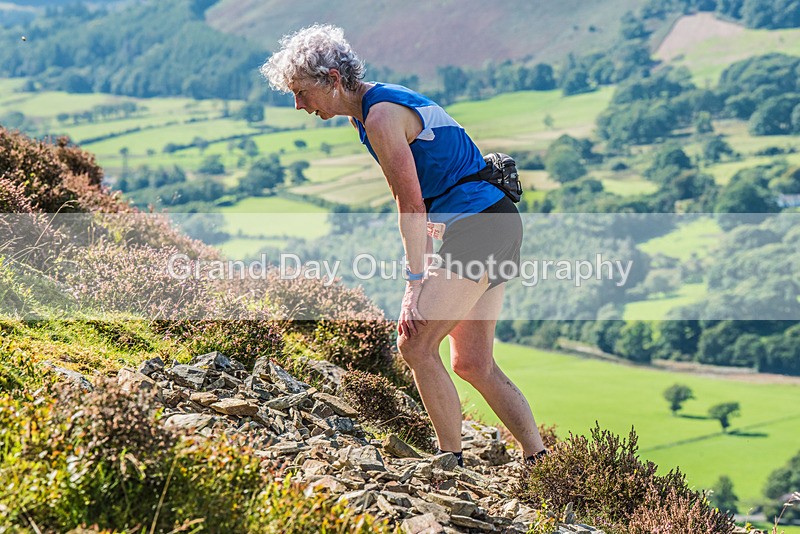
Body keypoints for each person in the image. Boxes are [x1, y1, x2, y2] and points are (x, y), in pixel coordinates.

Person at [261, 24, 548, 466]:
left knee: (414, 344)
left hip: (480, 226)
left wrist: (415, 284)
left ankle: (449, 464)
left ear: (333, 79)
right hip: (494, 221)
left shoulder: (380, 117)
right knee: (473, 363)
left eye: (301, 92)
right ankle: (540, 461)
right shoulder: (371, 110)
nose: (299, 104)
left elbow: (409, 204)